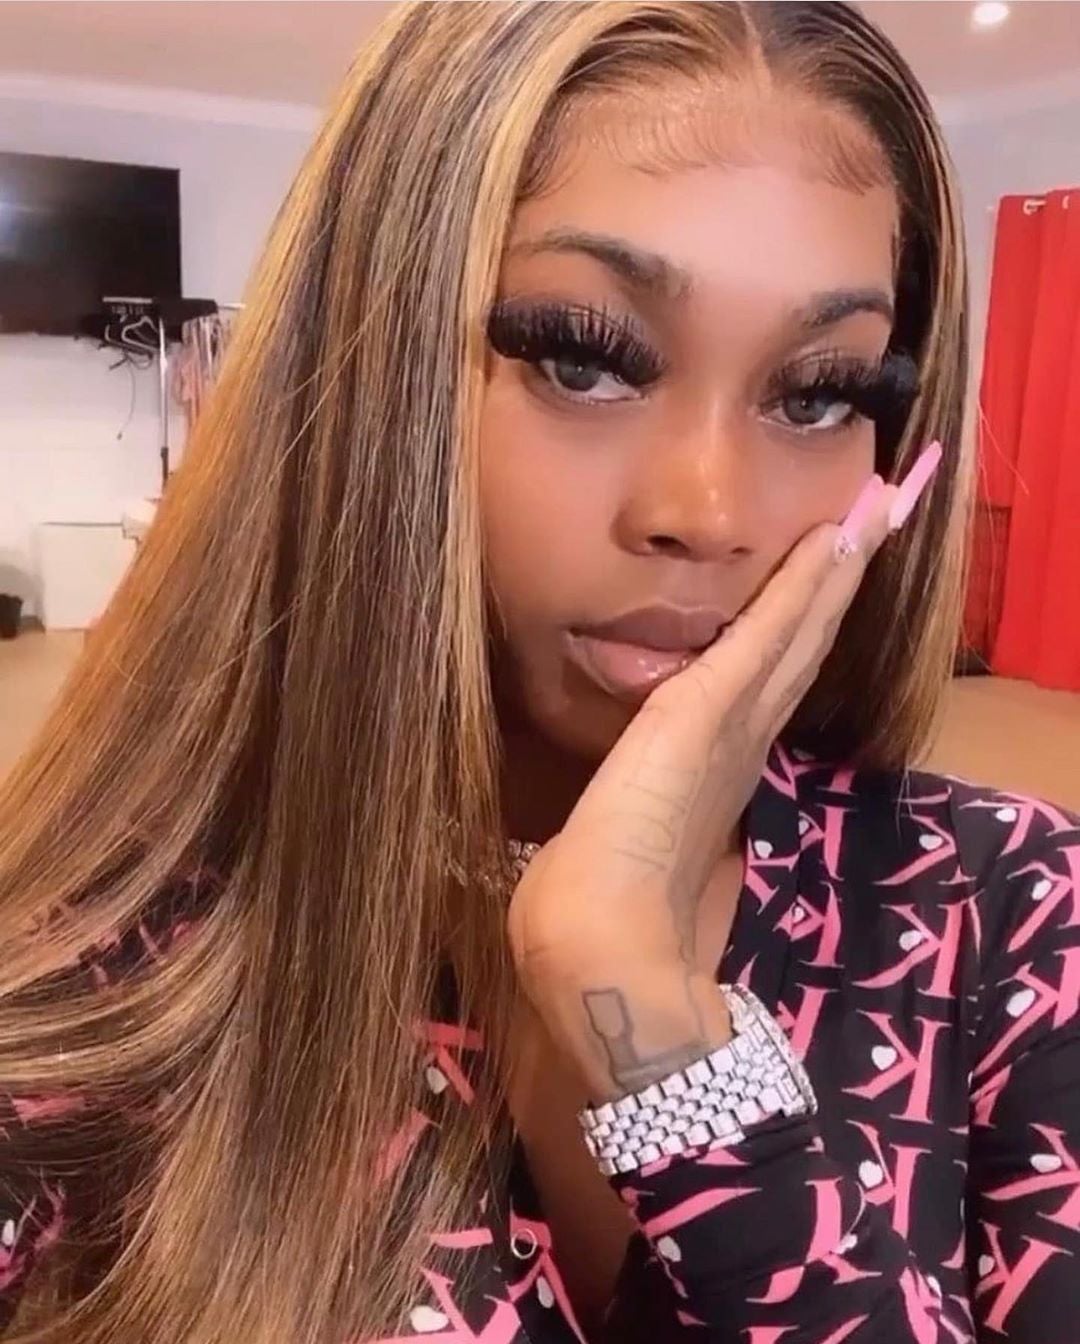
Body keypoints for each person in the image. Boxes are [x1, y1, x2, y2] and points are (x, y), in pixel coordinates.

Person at [0, 2, 1076, 1340]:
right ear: (374, 380)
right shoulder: (114, 958)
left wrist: (646, 1013)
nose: (709, 511)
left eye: (818, 394)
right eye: (585, 358)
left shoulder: (1014, 906)